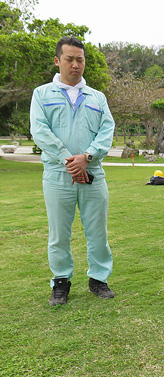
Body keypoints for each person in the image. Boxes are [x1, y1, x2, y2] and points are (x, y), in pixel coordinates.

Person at [30, 37, 116, 306]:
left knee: (97, 232)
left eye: (80, 59)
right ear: (58, 61)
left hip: (93, 174)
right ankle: (60, 282)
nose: (76, 64)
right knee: (59, 234)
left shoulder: (97, 98)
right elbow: (40, 131)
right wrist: (70, 160)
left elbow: (106, 131)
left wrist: (87, 157)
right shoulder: (42, 94)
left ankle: (98, 279)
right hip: (58, 175)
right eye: (70, 59)